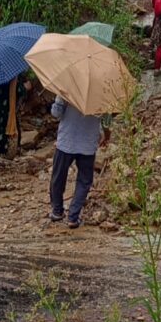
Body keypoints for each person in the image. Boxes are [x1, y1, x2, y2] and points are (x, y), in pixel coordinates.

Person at [49, 98, 110, 228]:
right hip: (88, 143)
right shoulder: (101, 91)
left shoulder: (67, 88)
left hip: (66, 141)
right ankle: (73, 217)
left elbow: (56, 113)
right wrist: (106, 133)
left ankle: (57, 211)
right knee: (84, 181)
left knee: (58, 177)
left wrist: (58, 101)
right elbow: (106, 118)